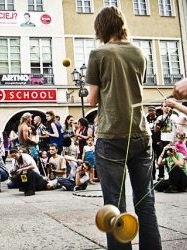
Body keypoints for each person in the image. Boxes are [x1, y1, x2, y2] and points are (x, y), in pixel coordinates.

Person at [86, 6, 161, 249]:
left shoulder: (98, 54)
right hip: (141, 132)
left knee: (115, 206)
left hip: (111, 134)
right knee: (145, 202)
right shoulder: (140, 52)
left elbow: (92, 100)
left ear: (101, 27)